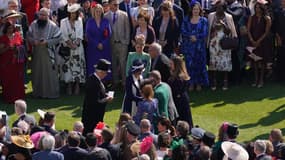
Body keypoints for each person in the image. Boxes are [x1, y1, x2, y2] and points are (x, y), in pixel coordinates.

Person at [27, 7, 62, 98]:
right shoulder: (33, 24)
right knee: (37, 73)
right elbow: (28, 35)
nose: (42, 17)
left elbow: (58, 37)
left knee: (49, 74)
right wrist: (33, 41)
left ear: (48, 16)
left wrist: (47, 42)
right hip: (37, 53)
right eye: (40, 15)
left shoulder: (53, 26)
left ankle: (51, 94)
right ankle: (38, 93)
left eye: (44, 15)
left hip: (49, 53)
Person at [207, 0, 237, 90]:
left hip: (225, 43)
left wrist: (224, 25)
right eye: (217, 6)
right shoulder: (211, 16)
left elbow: (230, 32)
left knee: (225, 62)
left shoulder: (228, 17)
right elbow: (209, 30)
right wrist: (214, 27)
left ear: (224, 8)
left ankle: (225, 82)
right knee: (213, 62)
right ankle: (214, 82)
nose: (218, 8)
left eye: (220, 7)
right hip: (214, 43)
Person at [181, 1, 209, 91]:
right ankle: (191, 83)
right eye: (194, 9)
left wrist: (196, 37)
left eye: (197, 9)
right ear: (191, 10)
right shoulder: (186, 19)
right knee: (189, 65)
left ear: (200, 9)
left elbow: (205, 32)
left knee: (199, 65)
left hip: (199, 47)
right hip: (188, 47)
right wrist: (190, 36)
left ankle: (199, 84)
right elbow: (183, 30)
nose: (195, 11)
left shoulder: (204, 20)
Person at [81, 59, 113, 136]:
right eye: (105, 73)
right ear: (101, 72)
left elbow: (98, 94)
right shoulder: (93, 82)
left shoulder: (95, 79)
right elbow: (95, 102)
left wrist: (105, 95)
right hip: (92, 118)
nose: (106, 75)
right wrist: (106, 99)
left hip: (94, 116)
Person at [59, 3, 86, 95]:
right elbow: (64, 35)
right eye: (71, 13)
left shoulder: (79, 21)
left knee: (78, 65)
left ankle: (77, 85)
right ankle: (69, 85)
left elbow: (80, 34)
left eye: (75, 13)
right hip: (67, 47)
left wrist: (76, 44)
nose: (73, 14)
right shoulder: (63, 21)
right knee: (67, 66)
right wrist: (70, 45)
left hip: (78, 48)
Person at [104, 0, 130, 87]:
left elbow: (127, 29)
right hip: (111, 43)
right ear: (110, 4)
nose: (117, 6)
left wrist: (126, 42)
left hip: (122, 43)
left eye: (118, 4)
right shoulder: (105, 16)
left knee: (123, 63)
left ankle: (124, 82)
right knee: (113, 63)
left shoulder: (124, 14)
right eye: (115, 4)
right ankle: (115, 82)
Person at [247, 0, 272, 88]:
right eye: (256, 7)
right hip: (253, 41)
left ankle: (261, 80)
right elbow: (248, 30)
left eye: (259, 7)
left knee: (262, 62)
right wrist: (252, 40)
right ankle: (255, 79)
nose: (257, 9)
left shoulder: (267, 18)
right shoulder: (252, 17)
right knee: (255, 62)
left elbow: (266, 32)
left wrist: (258, 41)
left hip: (263, 42)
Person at [0, 21, 25, 103]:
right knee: (7, 79)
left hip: (17, 62)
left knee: (17, 79)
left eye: (12, 28)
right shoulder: (3, 38)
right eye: (9, 28)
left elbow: (22, 47)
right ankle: (8, 98)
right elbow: (1, 51)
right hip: (6, 63)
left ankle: (19, 97)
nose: (11, 30)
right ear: (6, 29)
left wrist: (17, 48)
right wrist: (8, 47)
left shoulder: (17, 36)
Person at [85, 4, 112, 80]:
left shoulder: (105, 21)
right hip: (93, 48)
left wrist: (102, 44)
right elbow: (88, 34)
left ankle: (105, 82)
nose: (98, 12)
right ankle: (93, 81)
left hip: (104, 48)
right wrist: (97, 44)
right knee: (93, 64)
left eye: (100, 11)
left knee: (104, 65)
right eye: (97, 11)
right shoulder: (90, 21)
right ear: (94, 12)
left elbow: (109, 34)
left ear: (102, 12)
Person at [168, 56, 193, 128]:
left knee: (181, 117)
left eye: (172, 64)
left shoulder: (178, 78)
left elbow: (176, 91)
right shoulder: (180, 76)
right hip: (182, 99)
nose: (170, 65)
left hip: (179, 100)